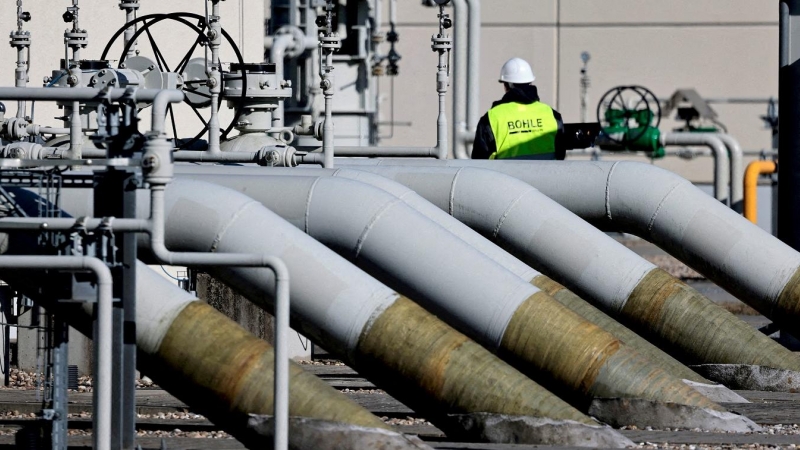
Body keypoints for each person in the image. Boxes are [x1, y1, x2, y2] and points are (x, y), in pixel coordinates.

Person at [472, 58, 566, 160]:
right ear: (530, 82)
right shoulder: (551, 114)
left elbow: (479, 160)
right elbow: (561, 154)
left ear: (506, 85)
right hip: (546, 175)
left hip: (504, 176)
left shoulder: (492, 118)